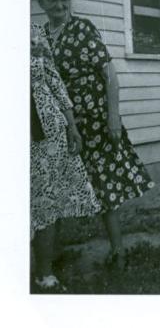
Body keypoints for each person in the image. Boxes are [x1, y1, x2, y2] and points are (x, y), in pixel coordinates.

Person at [36, 0, 154, 270]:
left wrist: (114, 118)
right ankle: (50, 259)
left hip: (94, 120)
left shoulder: (82, 29)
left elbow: (110, 76)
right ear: (41, 3)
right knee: (57, 187)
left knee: (103, 187)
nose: (60, 5)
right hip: (60, 122)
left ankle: (119, 252)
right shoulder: (38, 36)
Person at [30, 24, 100, 290]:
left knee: (47, 197)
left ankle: (45, 272)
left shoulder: (33, 33)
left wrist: (72, 127)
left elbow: (55, 83)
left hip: (48, 129)